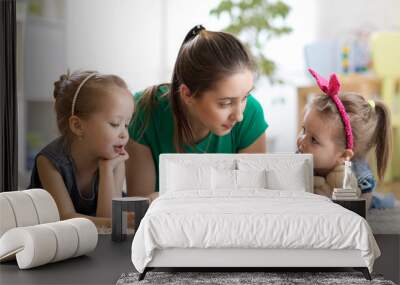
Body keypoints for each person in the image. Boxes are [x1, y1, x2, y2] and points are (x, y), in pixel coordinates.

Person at [126, 25, 268, 200]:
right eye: (225, 103)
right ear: (187, 94)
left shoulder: (251, 114)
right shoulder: (143, 111)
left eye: (245, 96)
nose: (239, 116)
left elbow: (250, 200)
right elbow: (139, 208)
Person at [29, 70, 134, 227]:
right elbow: (65, 218)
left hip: (92, 241)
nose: (124, 134)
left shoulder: (116, 162)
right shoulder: (49, 162)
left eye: (126, 125)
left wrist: (106, 170)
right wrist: (122, 222)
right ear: (78, 126)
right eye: (114, 124)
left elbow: (108, 223)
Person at [297, 68, 393, 209]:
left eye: (314, 140)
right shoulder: (301, 155)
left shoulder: (359, 173)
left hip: (356, 203)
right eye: (303, 130)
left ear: (343, 155)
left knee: (379, 203)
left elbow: (360, 210)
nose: (301, 141)